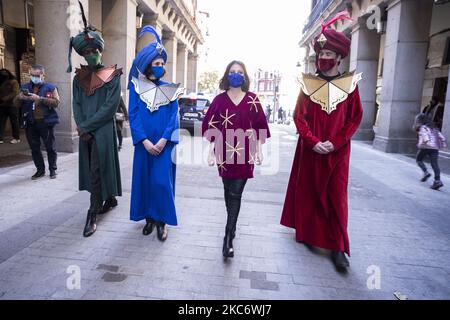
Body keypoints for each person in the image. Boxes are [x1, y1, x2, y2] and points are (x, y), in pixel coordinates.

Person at [280, 11, 363, 272]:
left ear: (339, 57)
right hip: (310, 149)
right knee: (308, 192)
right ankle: (306, 233)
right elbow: (299, 116)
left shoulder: (350, 85)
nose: (323, 58)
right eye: (321, 55)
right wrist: (313, 141)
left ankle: (338, 247)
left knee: (336, 197)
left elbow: (355, 119)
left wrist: (335, 143)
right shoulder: (308, 84)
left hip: (338, 153)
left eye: (329, 55)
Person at [202, 60, 271, 259]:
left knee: (235, 194)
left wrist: (259, 150)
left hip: (245, 150)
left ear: (245, 76)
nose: (236, 74)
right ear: (226, 75)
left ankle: (228, 236)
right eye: (232, 72)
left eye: (239, 72)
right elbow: (211, 125)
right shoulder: (218, 100)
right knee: (228, 190)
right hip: (224, 150)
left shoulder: (252, 99)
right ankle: (231, 227)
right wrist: (210, 150)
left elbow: (260, 125)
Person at [67, 1, 122, 237]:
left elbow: (110, 108)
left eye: (94, 51)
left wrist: (86, 126)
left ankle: (93, 211)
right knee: (93, 170)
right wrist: (81, 127)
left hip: (101, 131)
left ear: (101, 50)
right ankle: (108, 199)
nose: (91, 55)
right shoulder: (78, 78)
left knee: (98, 169)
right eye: (86, 52)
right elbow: (77, 105)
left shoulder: (112, 75)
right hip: (86, 132)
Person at [128, 25, 182, 241]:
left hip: (164, 144)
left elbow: (173, 117)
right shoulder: (136, 87)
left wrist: (162, 140)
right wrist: (144, 141)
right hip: (144, 145)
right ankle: (149, 218)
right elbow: (133, 114)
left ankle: (162, 221)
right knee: (145, 181)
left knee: (161, 182)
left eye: (162, 63)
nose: (160, 66)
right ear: (148, 64)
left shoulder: (171, 88)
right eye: (156, 63)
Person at [14, 65, 60, 179]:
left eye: (37, 75)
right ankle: (40, 170)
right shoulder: (25, 87)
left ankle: (52, 170)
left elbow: (56, 103)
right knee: (34, 148)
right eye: (32, 75)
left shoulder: (51, 87)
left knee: (50, 147)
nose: (34, 78)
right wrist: (20, 98)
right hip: (30, 122)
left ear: (43, 75)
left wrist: (40, 98)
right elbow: (16, 104)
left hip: (46, 122)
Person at [414, 113, 447, 190]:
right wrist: (443, 144)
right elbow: (442, 137)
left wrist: (427, 141)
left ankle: (426, 172)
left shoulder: (422, 127)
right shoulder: (434, 128)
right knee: (434, 164)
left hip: (425, 146)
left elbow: (425, 136)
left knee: (418, 159)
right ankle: (437, 181)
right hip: (435, 148)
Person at [0, 69, 20, 144]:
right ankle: (0, 138)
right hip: (2, 105)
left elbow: (15, 93)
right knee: (1, 122)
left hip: (12, 105)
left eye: (5, 73)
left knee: (14, 121)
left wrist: (3, 99)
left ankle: (16, 137)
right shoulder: (1, 82)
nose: (3, 75)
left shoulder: (13, 82)